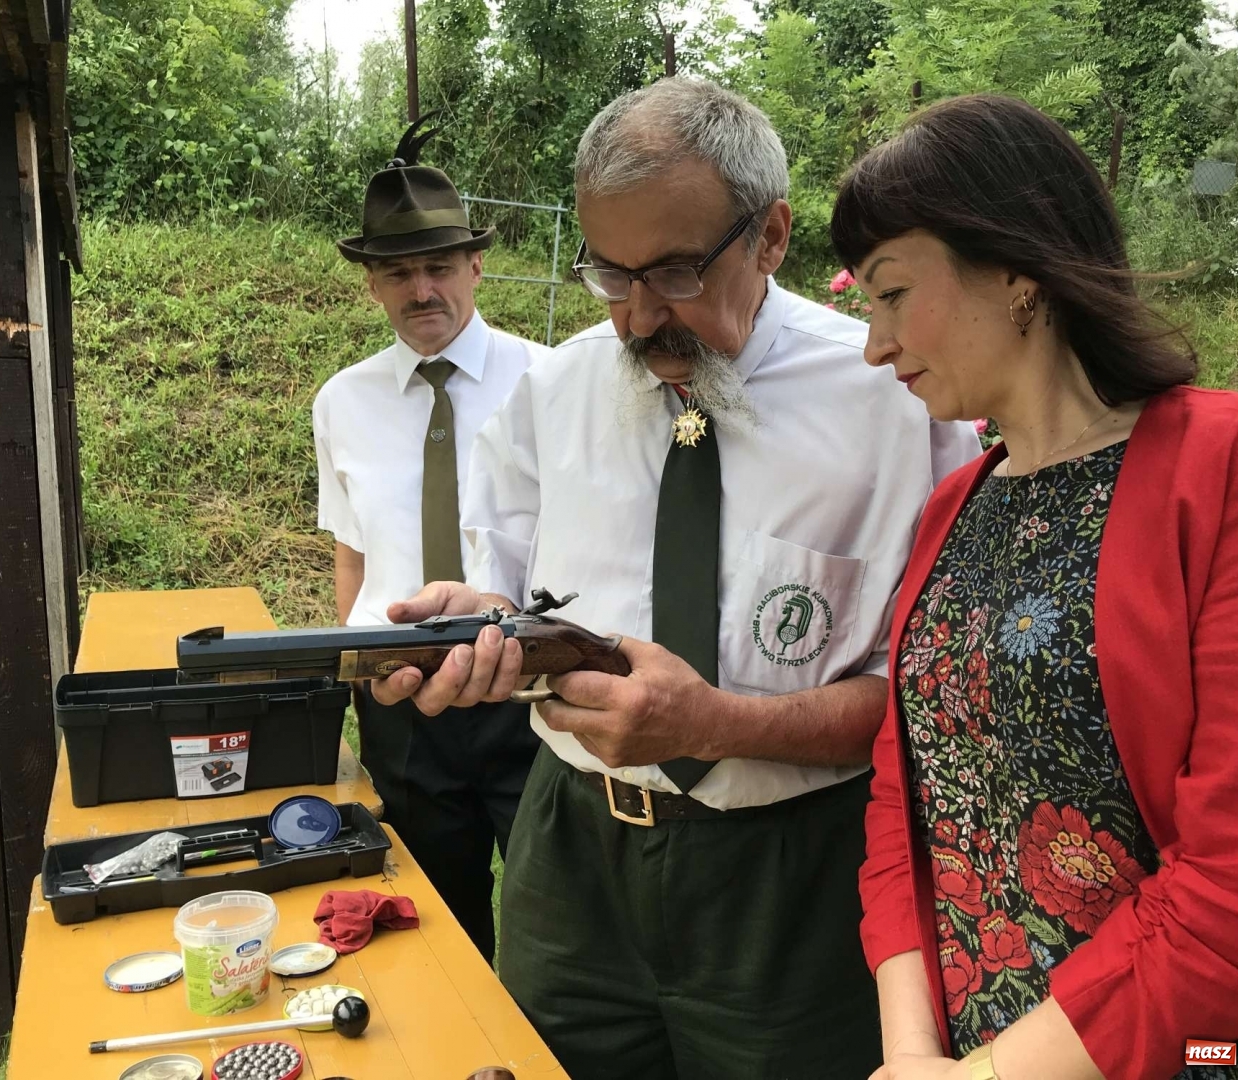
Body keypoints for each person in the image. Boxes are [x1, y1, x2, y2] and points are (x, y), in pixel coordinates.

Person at [368, 77, 981, 1080]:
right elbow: (514, 598)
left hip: (793, 880)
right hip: (570, 860)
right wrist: (479, 623)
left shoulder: (900, 402)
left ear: (773, 236)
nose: (640, 315)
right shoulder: (552, 394)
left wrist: (713, 724)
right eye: (611, 275)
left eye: (677, 271)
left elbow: (940, 702)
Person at [829, 94, 1238, 1080]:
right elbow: (909, 806)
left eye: (893, 294)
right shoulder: (954, 508)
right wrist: (911, 1053)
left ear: (1017, 269)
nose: (874, 343)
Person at [313, 122, 548, 964]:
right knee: (430, 927)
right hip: (402, 700)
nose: (422, 290)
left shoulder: (548, 384)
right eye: (398, 271)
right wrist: (359, 679)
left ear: (477, 265)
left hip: (528, 694)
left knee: (552, 923)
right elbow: (353, 553)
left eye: (440, 267)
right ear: (372, 283)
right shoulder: (341, 402)